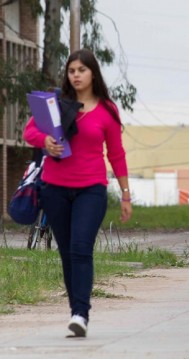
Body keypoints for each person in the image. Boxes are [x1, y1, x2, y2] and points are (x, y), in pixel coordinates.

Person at [23, 49, 132, 337]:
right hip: (55, 189)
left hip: (91, 189)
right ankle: (76, 312)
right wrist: (46, 140)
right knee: (68, 254)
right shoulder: (57, 103)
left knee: (81, 249)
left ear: (92, 73)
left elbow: (117, 154)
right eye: (72, 70)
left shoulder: (108, 110)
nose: (76, 75)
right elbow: (29, 131)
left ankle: (81, 314)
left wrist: (126, 194)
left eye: (82, 69)